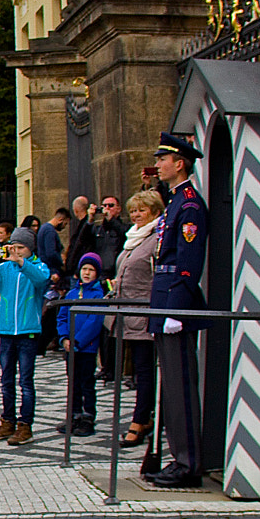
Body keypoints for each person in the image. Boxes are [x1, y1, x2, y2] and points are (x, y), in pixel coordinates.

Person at [147, 133, 209, 489]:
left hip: (174, 299)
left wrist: (176, 309)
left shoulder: (188, 205)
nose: (158, 164)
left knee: (181, 384)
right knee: (170, 384)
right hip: (164, 297)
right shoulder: (173, 202)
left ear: (179, 163)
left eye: (162, 159)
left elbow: (188, 263)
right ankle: (178, 456)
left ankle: (188, 463)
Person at [0, 228, 52, 445]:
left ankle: (25, 425)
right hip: (7, 331)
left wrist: (22, 263)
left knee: (25, 380)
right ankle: (7, 420)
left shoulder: (37, 266)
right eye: (13, 247)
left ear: (29, 249)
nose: (16, 252)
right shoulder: (4, 268)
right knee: (6, 379)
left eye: (21, 248)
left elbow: (41, 280)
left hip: (28, 332)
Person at [109, 189, 164, 450]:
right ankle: (145, 415)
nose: (136, 215)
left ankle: (141, 420)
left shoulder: (156, 238)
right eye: (133, 211)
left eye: (142, 210)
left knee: (144, 370)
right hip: (125, 313)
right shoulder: (133, 238)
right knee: (131, 370)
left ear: (154, 211)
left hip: (144, 313)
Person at [57, 255, 108, 437]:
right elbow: (62, 316)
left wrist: (78, 340)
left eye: (91, 270)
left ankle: (88, 416)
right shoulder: (72, 293)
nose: (86, 273)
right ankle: (74, 414)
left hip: (86, 348)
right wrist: (64, 338)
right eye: (84, 269)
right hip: (70, 347)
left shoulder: (97, 295)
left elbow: (94, 321)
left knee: (87, 382)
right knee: (73, 382)